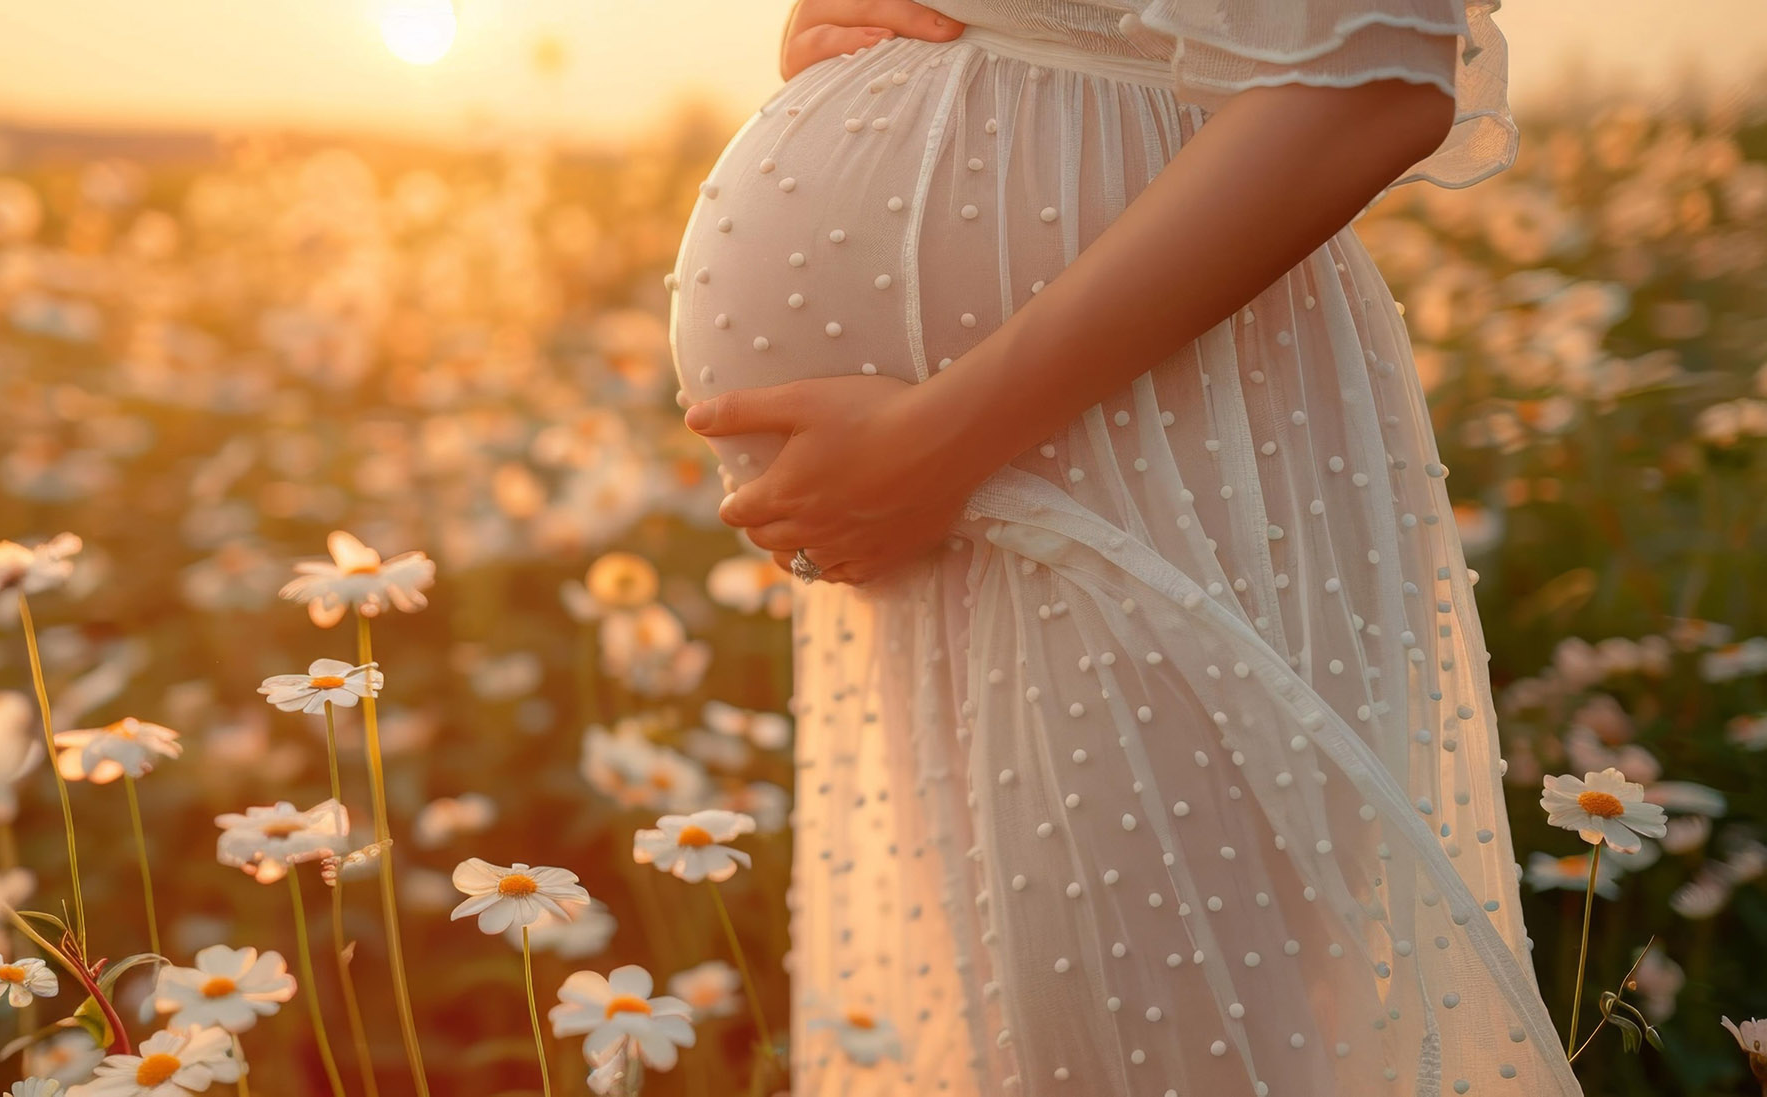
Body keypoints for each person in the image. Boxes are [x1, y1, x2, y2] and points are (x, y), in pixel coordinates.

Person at [664, 0, 1568, 1093]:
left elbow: (1370, 84)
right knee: (1028, 1045)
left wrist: (934, 443)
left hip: (1137, 433)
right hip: (966, 483)